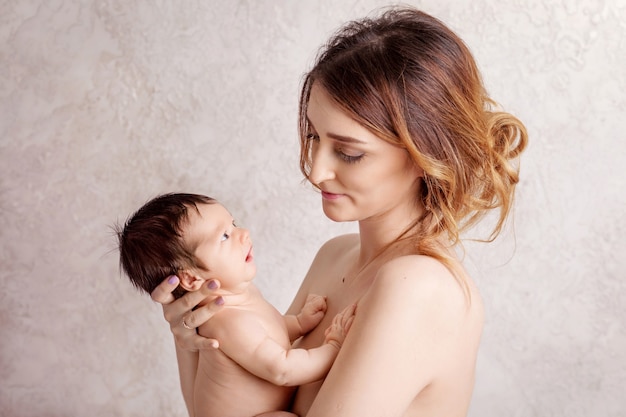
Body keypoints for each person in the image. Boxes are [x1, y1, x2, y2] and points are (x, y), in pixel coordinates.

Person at [150, 6, 528, 417]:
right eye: (313, 135)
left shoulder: (419, 287)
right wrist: (191, 331)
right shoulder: (335, 256)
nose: (315, 171)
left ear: (425, 155)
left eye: (348, 153)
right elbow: (219, 409)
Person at [117, 193, 356, 417]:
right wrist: (334, 347)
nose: (244, 233)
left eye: (234, 223)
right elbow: (282, 369)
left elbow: (266, 334)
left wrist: (299, 323)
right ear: (191, 278)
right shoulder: (225, 321)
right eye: (224, 236)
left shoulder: (240, 295)